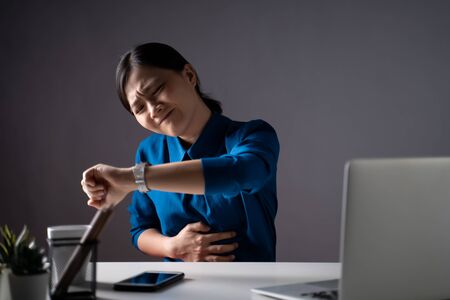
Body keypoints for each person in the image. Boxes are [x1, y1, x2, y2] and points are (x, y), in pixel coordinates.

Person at [80, 42, 279, 262]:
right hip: (174, 287)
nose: (153, 108)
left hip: (250, 288)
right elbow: (140, 230)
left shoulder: (254, 134)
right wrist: (172, 246)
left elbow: (239, 173)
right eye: (139, 108)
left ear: (189, 75)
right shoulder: (149, 152)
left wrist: (132, 179)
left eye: (156, 90)